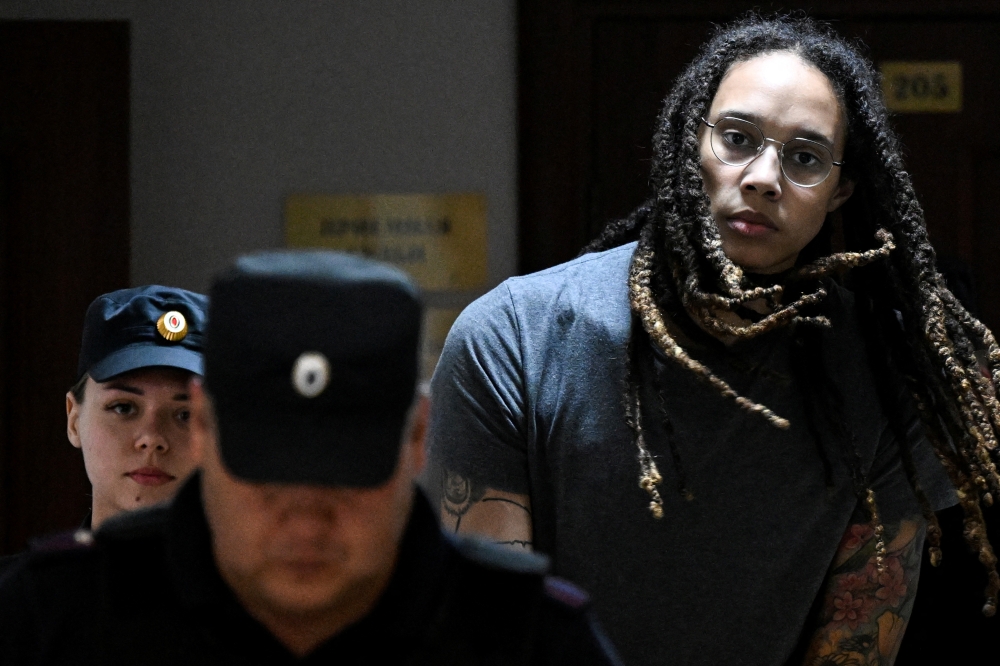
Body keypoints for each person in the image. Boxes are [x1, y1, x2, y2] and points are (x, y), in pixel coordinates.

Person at [425, 14, 998, 666]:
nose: (762, 176)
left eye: (804, 157)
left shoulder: (887, 375)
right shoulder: (513, 338)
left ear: (841, 193)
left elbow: (855, 643)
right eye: (736, 137)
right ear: (686, 140)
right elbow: (492, 631)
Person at [0, 251, 621, 665]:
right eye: (267, 479)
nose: (304, 523)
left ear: (415, 440)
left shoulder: (528, 639)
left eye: (342, 480)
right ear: (209, 430)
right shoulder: (59, 618)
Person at [0, 286, 207, 576]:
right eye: (123, 408)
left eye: (185, 415)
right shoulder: (18, 602)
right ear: (74, 419)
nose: (152, 438)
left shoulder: (264, 609)